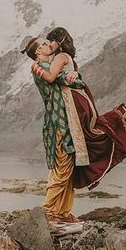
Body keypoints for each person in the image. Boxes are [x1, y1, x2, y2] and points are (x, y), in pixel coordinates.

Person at [41, 27, 126, 191]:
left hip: (71, 100)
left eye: (52, 40)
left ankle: (119, 118)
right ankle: (119, 117)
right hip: (81, 98)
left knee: (86, 134)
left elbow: (51, 77)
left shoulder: (60, 56)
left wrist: (36, 66)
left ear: (60, 41)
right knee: (90, 131)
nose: (49, 44)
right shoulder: (69, 58)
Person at [20, 36, 85, 227]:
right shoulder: (40, 67)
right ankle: (49, 212)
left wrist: (74, 74)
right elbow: (66, 79)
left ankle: (63, 212)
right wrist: (73, 76)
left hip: (65, 121)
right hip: (57, 123)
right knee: (61, 168)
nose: (49, 44)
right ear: (38, 51)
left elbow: (70, 79)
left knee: (68, 168)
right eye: (44, 43)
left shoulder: (48, 67)